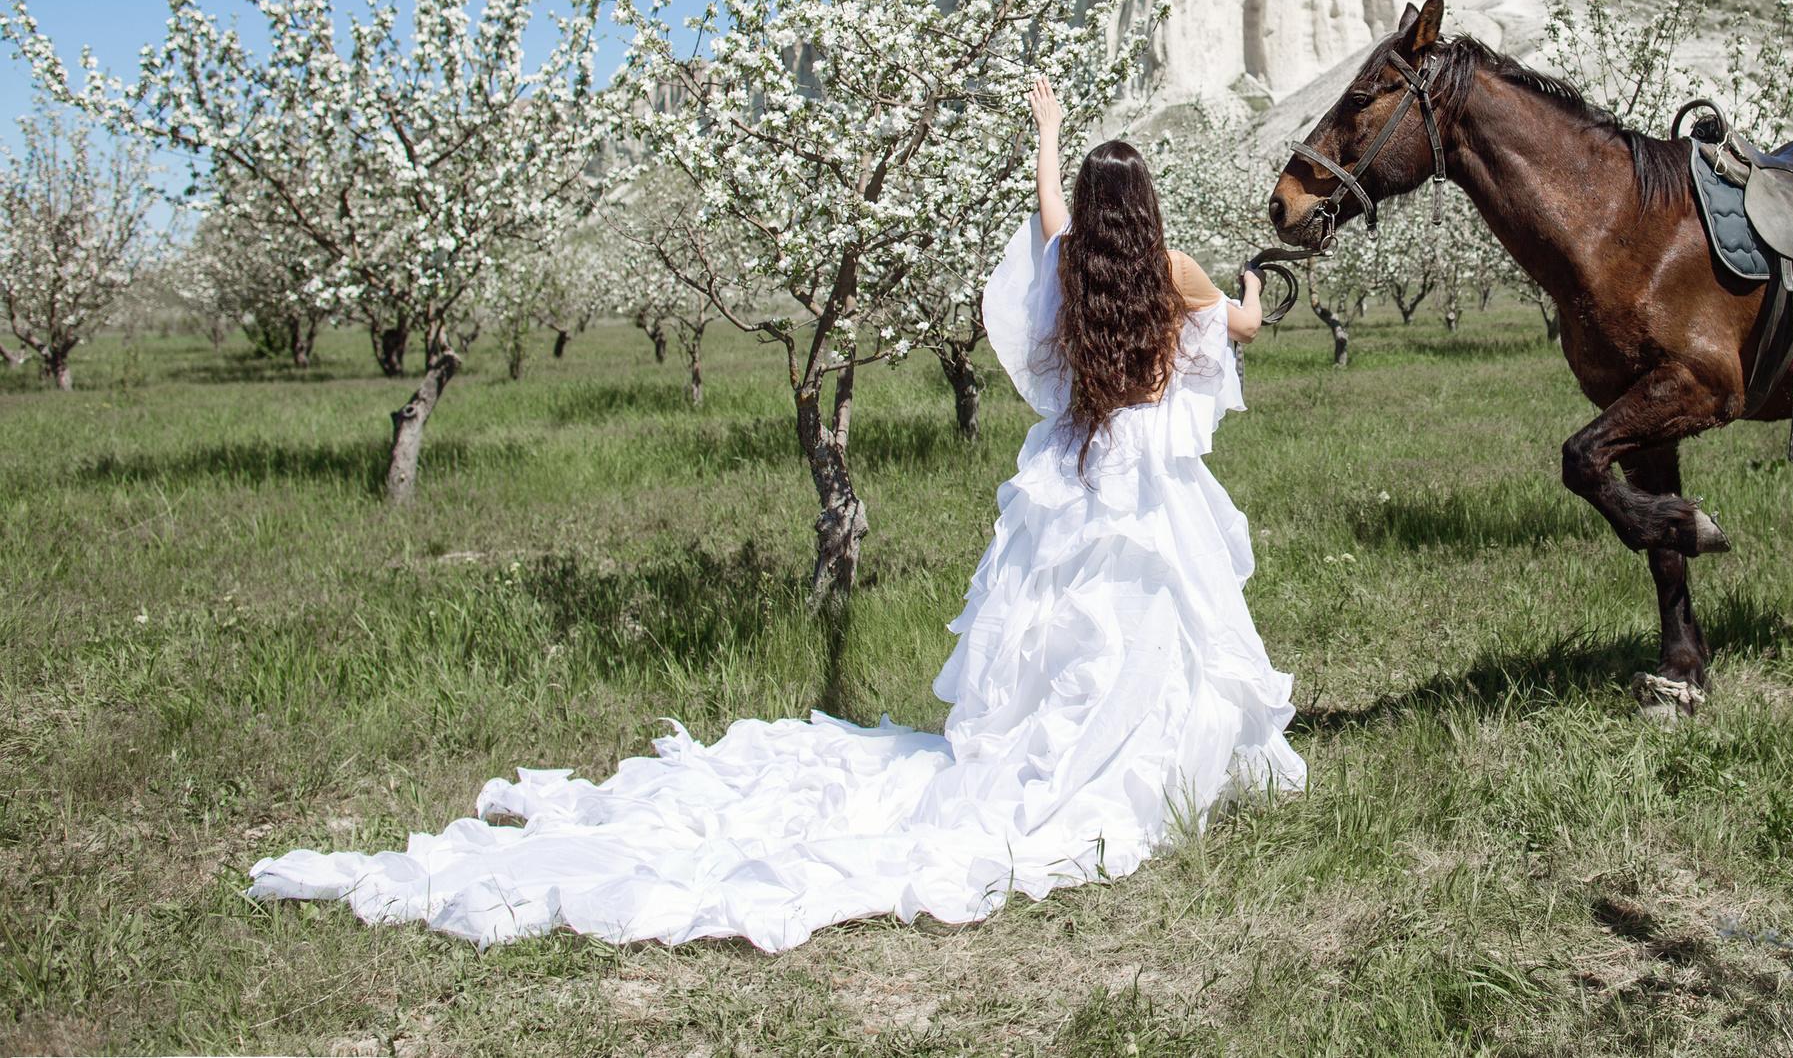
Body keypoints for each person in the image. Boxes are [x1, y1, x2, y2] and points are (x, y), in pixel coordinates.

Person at [246, 79, 1305, 951]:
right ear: (1153, 206)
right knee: (1147, 629)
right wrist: (1255, 287)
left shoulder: (1072, 265)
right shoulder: (1173, 271)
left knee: (1052, 636)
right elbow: (1241, 330)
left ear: (1088, 200)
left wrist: (1045, 133)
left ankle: (1050, 757)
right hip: (1141, 489)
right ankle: (1147, 770)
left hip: (1069, 477)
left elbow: (1049, 218)